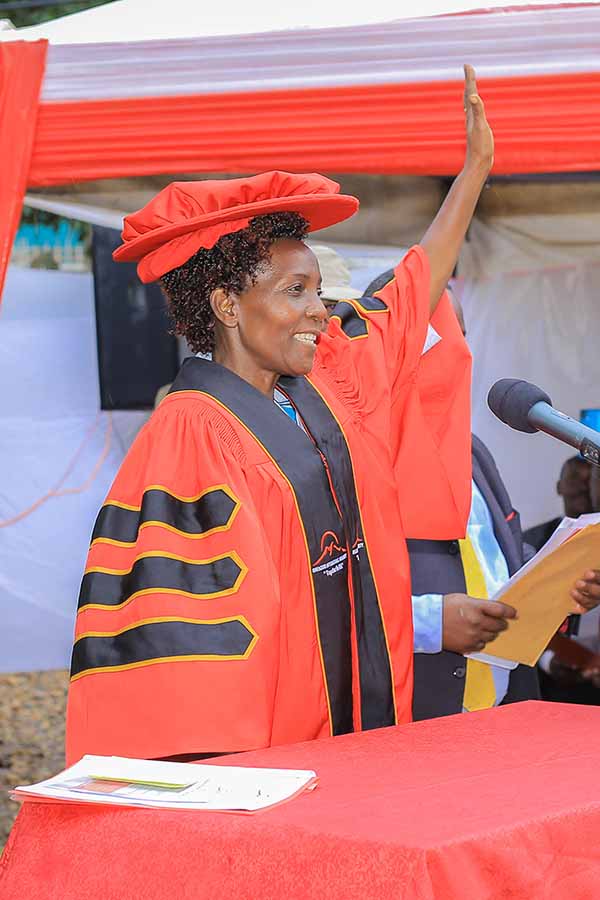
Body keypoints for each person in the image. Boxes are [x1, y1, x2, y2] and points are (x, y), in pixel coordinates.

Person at [65, 66, 492, 764]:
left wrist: (473, 175)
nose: (320, 311)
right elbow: (188, 650)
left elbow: (412, 291)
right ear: (228, 306)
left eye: (318, 290)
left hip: (374, 738)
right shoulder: (189, 437)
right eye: (296, 291)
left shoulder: (328, 381)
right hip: (278, 763)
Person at [359, 281, 600, 720]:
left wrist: (567, 580)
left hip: (507, 711)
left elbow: (500, 559)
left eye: (463, 334)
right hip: (409, 724)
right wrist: (427, 624)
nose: (459, 351)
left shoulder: (471, 451)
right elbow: (324, 599)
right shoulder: (347, 453)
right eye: (439, 333)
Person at [523, 456, 592, 552]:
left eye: (590, 480)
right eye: (574, 479)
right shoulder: (531, 542)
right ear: (559, 487)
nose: (584, 488)